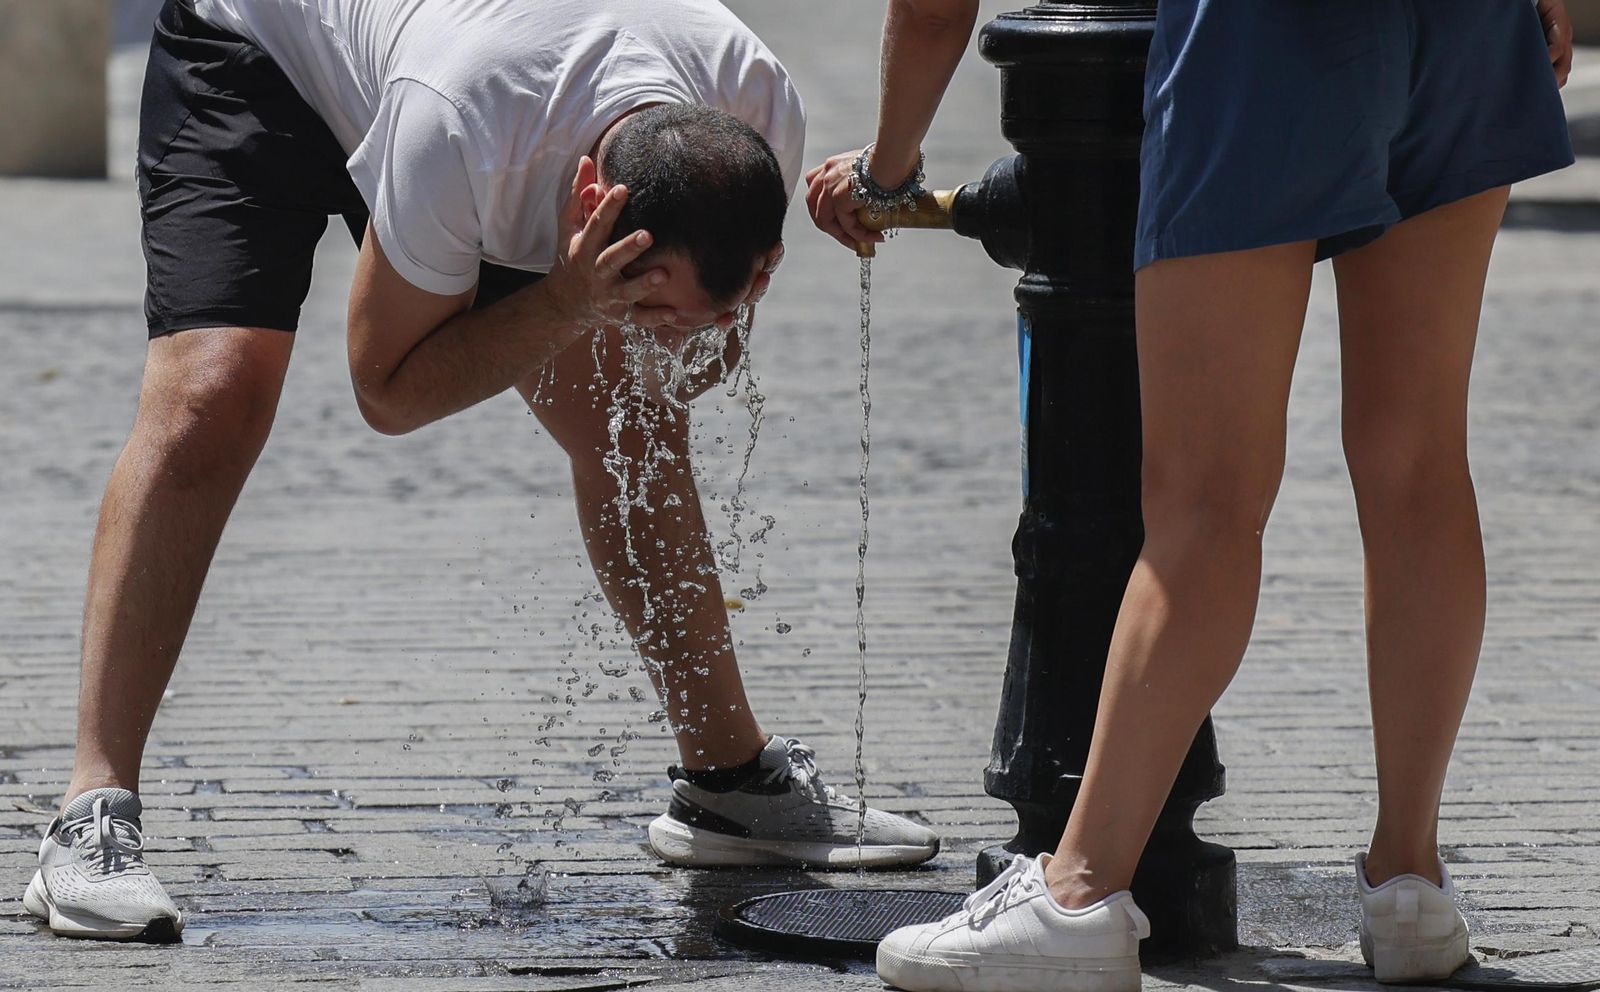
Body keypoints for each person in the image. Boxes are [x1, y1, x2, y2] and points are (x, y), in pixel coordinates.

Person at [25, 0, 940, 945]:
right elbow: (387, 389)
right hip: (263, 53)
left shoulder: (754, 111)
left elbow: (694, 361)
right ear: (591, 204)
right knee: (212, 397)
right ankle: (90, 812)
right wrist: (566, 303)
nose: (668, 328)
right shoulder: (461, 126)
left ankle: (728, 783)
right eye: (646, 297)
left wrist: (678, 320)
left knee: (629, 421)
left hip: (478, 94)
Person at [809, 1, 1575, 989]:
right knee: (1418, 463)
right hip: (1469, 23)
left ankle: (1078, 894)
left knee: (1205, 504)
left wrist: (886, 171)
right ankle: (1409, 885)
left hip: (1267, 37)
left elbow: (932, 9)